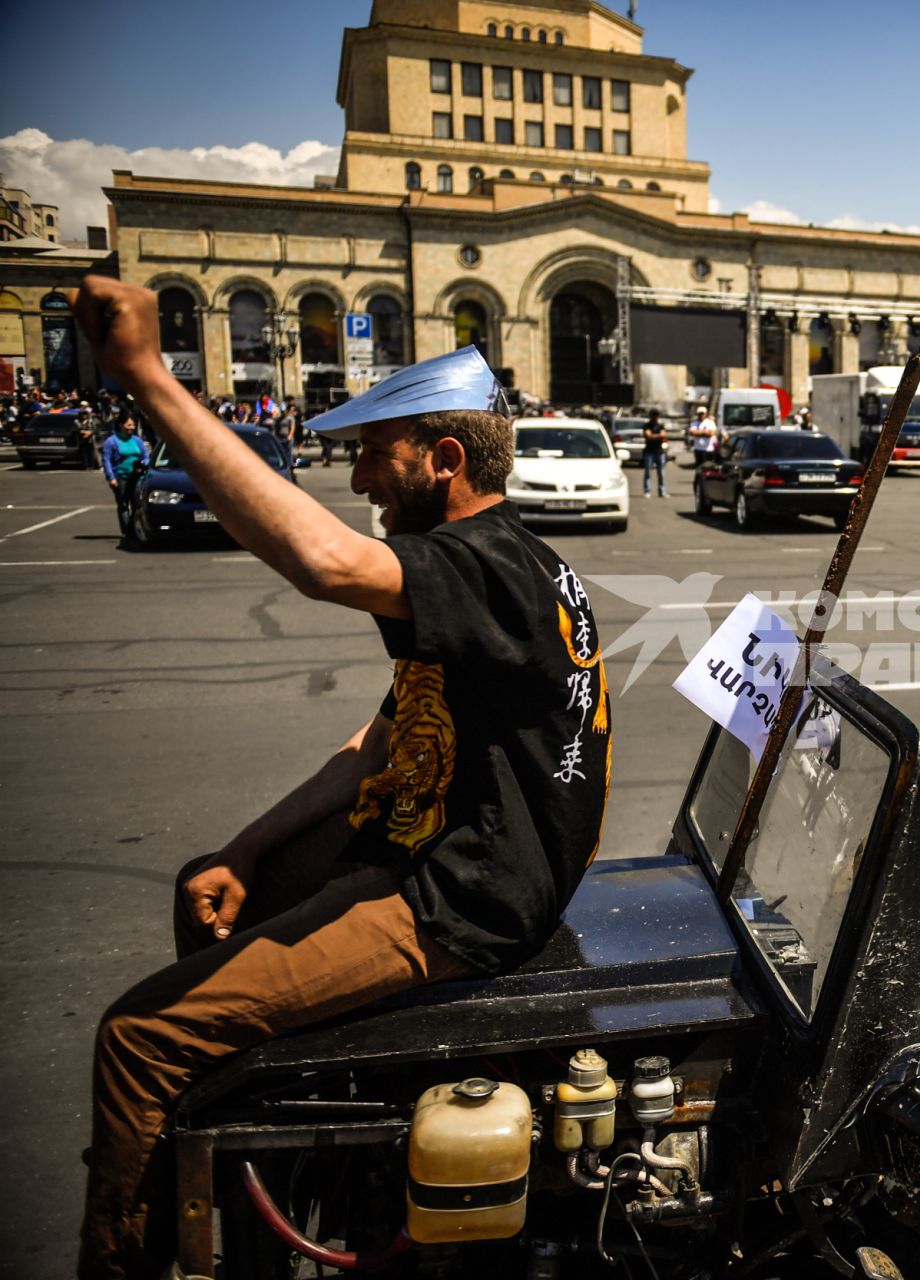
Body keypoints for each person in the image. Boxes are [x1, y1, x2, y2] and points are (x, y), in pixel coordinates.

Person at [69, 275, 613, 1280]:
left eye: (374, 454)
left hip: (463, 899)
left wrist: (146, 374)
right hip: (434, 852)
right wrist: (245, 847)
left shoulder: (486, 562)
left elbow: (319, 558)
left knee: (137, 1036)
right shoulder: (486, 562)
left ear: (444, 460)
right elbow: (388, 735)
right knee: (210, 891)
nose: (361, 480)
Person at [99, 413, 151, 538]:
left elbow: (145, 456)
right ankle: (127, 531)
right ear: (121, 425)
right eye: (129, 425)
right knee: (123, 504)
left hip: (137, 477)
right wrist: (111, 478)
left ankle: (134, 529)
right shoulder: (111, 441)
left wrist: (143, 465)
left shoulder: (137, 440)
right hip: (120, 477)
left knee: (136, 504)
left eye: (133, 425)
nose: (131, 427)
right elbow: (106, 460)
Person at [640, 409, 670, 497]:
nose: (655, 417)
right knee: (648, 472)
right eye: (653, 415)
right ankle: (647, 490)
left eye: (656, 415)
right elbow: (648, 436)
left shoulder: (660, 426)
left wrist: (653, 436)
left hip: (659, 452)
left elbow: (663, 435)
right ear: (651, 416)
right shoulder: (647, 425)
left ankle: (662, 491)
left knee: (661, 473)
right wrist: (658, 436)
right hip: (649, 452)